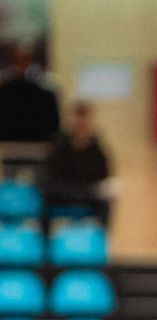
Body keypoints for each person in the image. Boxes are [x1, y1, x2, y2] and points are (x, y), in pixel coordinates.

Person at [39, 100, 112, 237]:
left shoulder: (96, 146)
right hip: (62, 192)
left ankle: (101, 239)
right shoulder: (59, 143)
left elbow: (104, 172)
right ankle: (46, 242)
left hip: (88, 194)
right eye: (78, 120)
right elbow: (52, 172)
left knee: (106, 202)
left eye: (85, 120)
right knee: (44, 200)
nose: (81, 124)